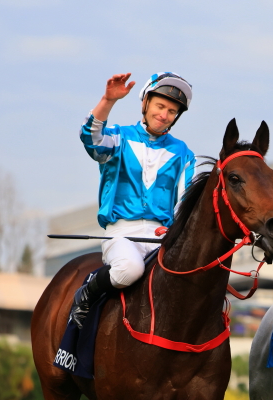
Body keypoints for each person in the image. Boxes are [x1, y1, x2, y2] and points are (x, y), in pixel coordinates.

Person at [69, 72, 196, 329]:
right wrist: (108, 100)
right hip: (122, 233)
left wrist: (176, 233)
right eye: (160, 106)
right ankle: (87, 293)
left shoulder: (184, 153)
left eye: (172, 111)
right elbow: (91, 139)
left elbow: (185, 202)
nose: (164, 115)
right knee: (129, 269)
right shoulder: (119, 137)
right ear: (145, 103)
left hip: (162, 238)